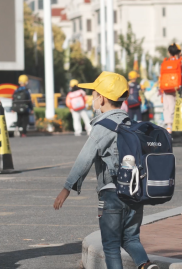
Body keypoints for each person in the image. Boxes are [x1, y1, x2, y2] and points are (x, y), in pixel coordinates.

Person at [52, 72, 158, 269]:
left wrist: (67, 188)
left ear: (101, 98)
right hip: (135, 192)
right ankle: (145, 265)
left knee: (110, 245)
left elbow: (85, 158)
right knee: (131, 238)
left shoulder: (103, 127)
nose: (92, 98)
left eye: (93, 94)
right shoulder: (131, 124)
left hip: (112, 194)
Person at [160, 43, 182, 132]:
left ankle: (169, 125)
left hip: (166, 88)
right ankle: (178, 126)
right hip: (179, 87)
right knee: (177, 106)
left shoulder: (165, 62)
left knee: (167, 106)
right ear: (178, 52)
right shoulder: (181, 62)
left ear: (169, 52)